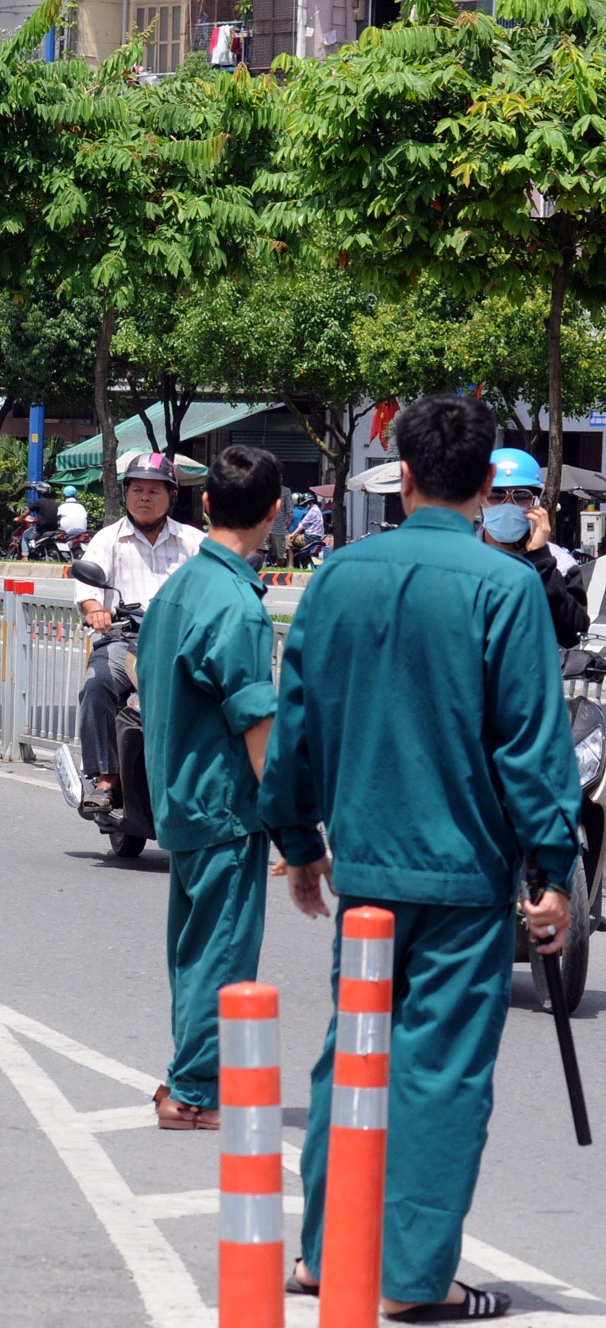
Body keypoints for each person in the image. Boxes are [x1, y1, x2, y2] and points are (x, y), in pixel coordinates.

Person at [262, 394, 577, 1323]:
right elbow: (529, 744)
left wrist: (297, 842)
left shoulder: (338, 577)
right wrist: (553, 872)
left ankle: (325, 1252)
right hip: (463, 877)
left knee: (349, 1057)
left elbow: (296, 724)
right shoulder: (506, 587)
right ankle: (411, 1274)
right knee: (440, 1072)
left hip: (363, 870)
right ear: (489, 484)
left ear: (401, 475)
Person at [136, 445, 284, 1130]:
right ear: (276, 513)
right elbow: (257, 724)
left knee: (194, 951)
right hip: (225, 804)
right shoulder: (238, 605)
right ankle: (195, 1091)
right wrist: (292, 824)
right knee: (221, 951)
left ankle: (183, 1078)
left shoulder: (181, 587)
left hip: (183, 794)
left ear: (202, 504)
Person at [75, 454, 204, 815]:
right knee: (98, 682)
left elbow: (215, 583)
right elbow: (86, 590)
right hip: (124, 640)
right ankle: (105, 779)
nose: (144, 497)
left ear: (172, 496)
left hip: (181, 643)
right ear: (126, 494)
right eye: (137, 490)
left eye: (153, 490)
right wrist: (96, 611)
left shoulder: (193, 541)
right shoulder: (108, 539)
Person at [481, 447, 588, 648]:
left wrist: (541, 561)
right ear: (480, 500)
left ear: (536, 502)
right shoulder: (461, 558)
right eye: (496, 495)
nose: (508, 504)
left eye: (521, 495)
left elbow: (574, 634)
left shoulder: (561, 565)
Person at [22, 482, 60, 556]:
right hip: (53, 529)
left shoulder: (39, 502)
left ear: (40, 492)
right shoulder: (55, 503)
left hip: (41, 529)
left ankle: (25, 556)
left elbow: (25, 513)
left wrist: (19, 518)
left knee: (25, 537)